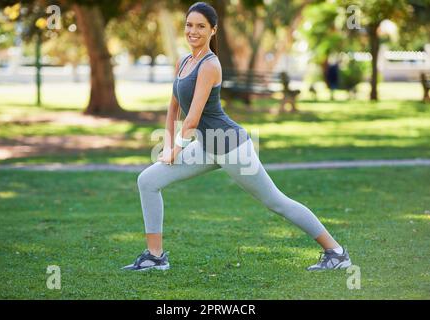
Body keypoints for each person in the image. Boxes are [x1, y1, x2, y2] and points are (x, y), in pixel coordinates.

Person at [122, 2, 352, 272]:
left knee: (276, 202)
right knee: (148, 180)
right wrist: (169, 144)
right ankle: (155, 256)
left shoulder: (210, 65)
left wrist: (175, 151)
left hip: (231, 146)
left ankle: (336, 252)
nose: (193, 31)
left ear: (213, 30)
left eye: (200, 26)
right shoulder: (184, 61)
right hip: (207, 145)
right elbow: (174, 107)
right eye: (189, 25)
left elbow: (193, 118)